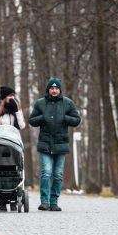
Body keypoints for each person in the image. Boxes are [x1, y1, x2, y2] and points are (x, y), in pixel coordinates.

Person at [28, 78, 81, 211]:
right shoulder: (40, 103)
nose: (54, 90)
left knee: (58, 174)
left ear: (59, 89)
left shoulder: (68, 103)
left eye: (56, 88)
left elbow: (77, 119)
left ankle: (54, 202)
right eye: (52, 88)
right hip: (45, 144)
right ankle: (44, 202)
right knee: (46, 172)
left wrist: (65, 118)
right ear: (48, 89)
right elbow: (32, 120)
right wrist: (42, 117)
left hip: (61, 144)